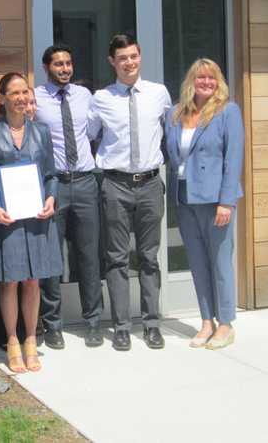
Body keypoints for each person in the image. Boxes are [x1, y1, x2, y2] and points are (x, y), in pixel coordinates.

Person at [87, 34, 171, 352]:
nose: (129, 62)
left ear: (140, 56)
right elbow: (91, 135)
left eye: (133, 56)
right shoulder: (101, 98)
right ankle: (121, 326)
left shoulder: (159, 94)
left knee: (149, 257)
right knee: (117, 259)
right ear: (113, 62)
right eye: (122, 58)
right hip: (116, 185)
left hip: (150, 183)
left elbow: (171, 131)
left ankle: (151, 324)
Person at [0, 72, 61, 373]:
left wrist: (51, 199)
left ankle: (31, 339)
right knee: (9, 280)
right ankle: (12, 340)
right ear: (2, 98)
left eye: (26, 92)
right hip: (6, 220)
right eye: (15, 93)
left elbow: (50, 175)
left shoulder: (42, 132)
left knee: (33, 280)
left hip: (36, 217)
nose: (22, 98)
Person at [165, 58, 244, 350]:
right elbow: (171, 154)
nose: (206, 83)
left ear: (218, 81)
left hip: (215, 201)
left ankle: (225, 323)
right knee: (197, 264)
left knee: (220, 263)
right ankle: (206, 321)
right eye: (201, 78)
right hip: (185, 197)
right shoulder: (175, 114)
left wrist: (226, 201)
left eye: (211, 78)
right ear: (191, 81)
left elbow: (233, 159)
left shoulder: (227, 112)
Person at [34, 44, 103, 350]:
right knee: (52, 257)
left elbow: (93, 133)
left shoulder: (85, 96)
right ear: (47, 67)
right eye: (58, 64)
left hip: (86, 182)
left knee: (88, 255)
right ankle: (53, 324)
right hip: (55, 185)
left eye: (68, 63)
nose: (64, 68)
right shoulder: (35, 98)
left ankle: (93, 321)